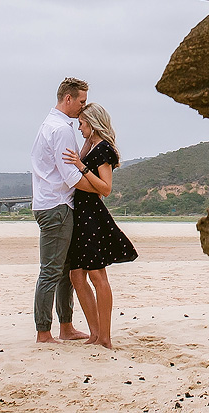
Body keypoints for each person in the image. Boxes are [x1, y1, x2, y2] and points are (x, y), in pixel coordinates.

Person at [63, 102, 137, 348]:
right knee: (77, 275)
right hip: (82, 215)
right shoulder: (93, 145)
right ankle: (95, 333)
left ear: (93, 124)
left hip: (92, 215)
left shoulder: (104, 149)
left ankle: (105, 338)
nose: (79, 127)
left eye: (82, 124)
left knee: (97, 275)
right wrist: (84, 148)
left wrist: (81, 166)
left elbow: (106, 189)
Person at [30, 76, 91, 344]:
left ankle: (66, 326)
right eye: (81, 101)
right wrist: (102, 188)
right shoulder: (62, 130)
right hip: (56, 206)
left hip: (52, 204)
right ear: (68, 98)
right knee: (52, 271)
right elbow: (71, 176)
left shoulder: (50, 125)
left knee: (64, 270)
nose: (83, 106)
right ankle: (44, 332)